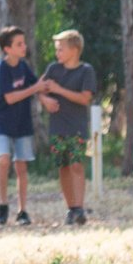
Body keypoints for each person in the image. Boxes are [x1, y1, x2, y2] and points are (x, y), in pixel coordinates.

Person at [38, 29, 96, 226]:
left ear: (74, 50)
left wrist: (58, 90)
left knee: (76, 165)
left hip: (77, 127)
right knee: (63, 166)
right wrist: (45, 100)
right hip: (57, 127)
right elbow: (38, 88)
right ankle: (71, 208)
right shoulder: (53, 69)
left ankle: (79, 208)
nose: (57, 53)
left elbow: (85, 98)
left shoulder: (86, 71)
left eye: (60, 49)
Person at [0, 25, 45, 225]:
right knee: (4, 159)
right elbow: (10, 98)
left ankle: (22, 211)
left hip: (22, 123)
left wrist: (44, 97)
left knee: (21, 166)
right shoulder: (2, 69)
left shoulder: (23, 66)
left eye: (24, 43)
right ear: (7, 49)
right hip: (2, 123)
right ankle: (3, 204)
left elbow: (37, 85)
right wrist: (35, 89)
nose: (24, 47)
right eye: (19, 44)